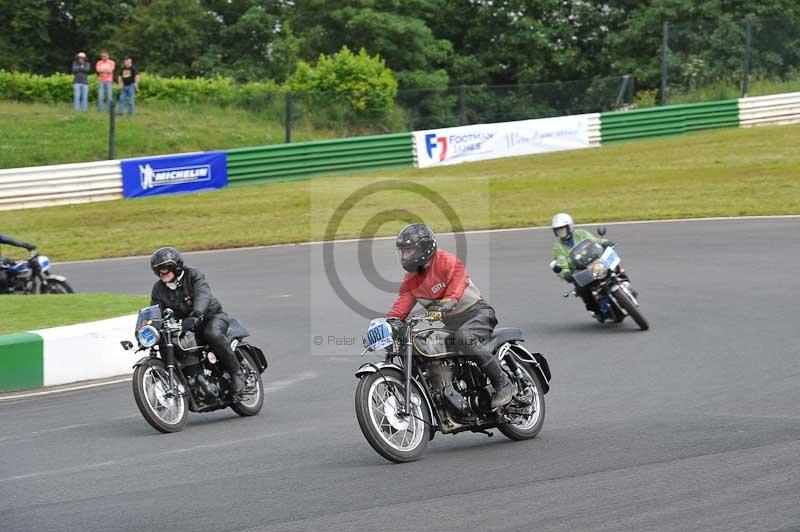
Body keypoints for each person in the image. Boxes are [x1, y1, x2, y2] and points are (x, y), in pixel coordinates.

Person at [386, 223, 515, 408]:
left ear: (424, 247)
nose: (405, 256)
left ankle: (503, 384)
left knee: (465, 337)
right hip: (451, 325)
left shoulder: (447, 261)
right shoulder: (410, 281)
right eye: (403, 251)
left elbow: (456, 286)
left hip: (476, 313)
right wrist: (388, 324)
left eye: (410, 250)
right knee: (423, 345)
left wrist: (446, 304)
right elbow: (400, 308)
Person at [148, 247, 246, 396]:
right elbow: (155, 310)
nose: (162, 273)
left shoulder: (193, 275)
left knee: (212, 334)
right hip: (185, 324)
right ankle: (186, 381)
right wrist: (147, 327)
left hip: (210, 316)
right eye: (158, 270)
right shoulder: (158, 289)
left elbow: (203, 295)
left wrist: (196, 314)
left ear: (176, 267)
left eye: (165, 269)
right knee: (166, 343)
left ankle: (236, 373)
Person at [550, 212, 614, 318]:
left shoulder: (581, 233)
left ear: (569, 227)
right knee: (581, 288)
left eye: (562, 229)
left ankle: (622, 280)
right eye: (558, 230)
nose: (560, 232)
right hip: (579, 269)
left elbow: (594, 241)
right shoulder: (558, 247)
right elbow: (561, 262)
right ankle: (596, 311)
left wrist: (605, 242)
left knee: (611, 264)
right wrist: (565, 273)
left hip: (593, 260)